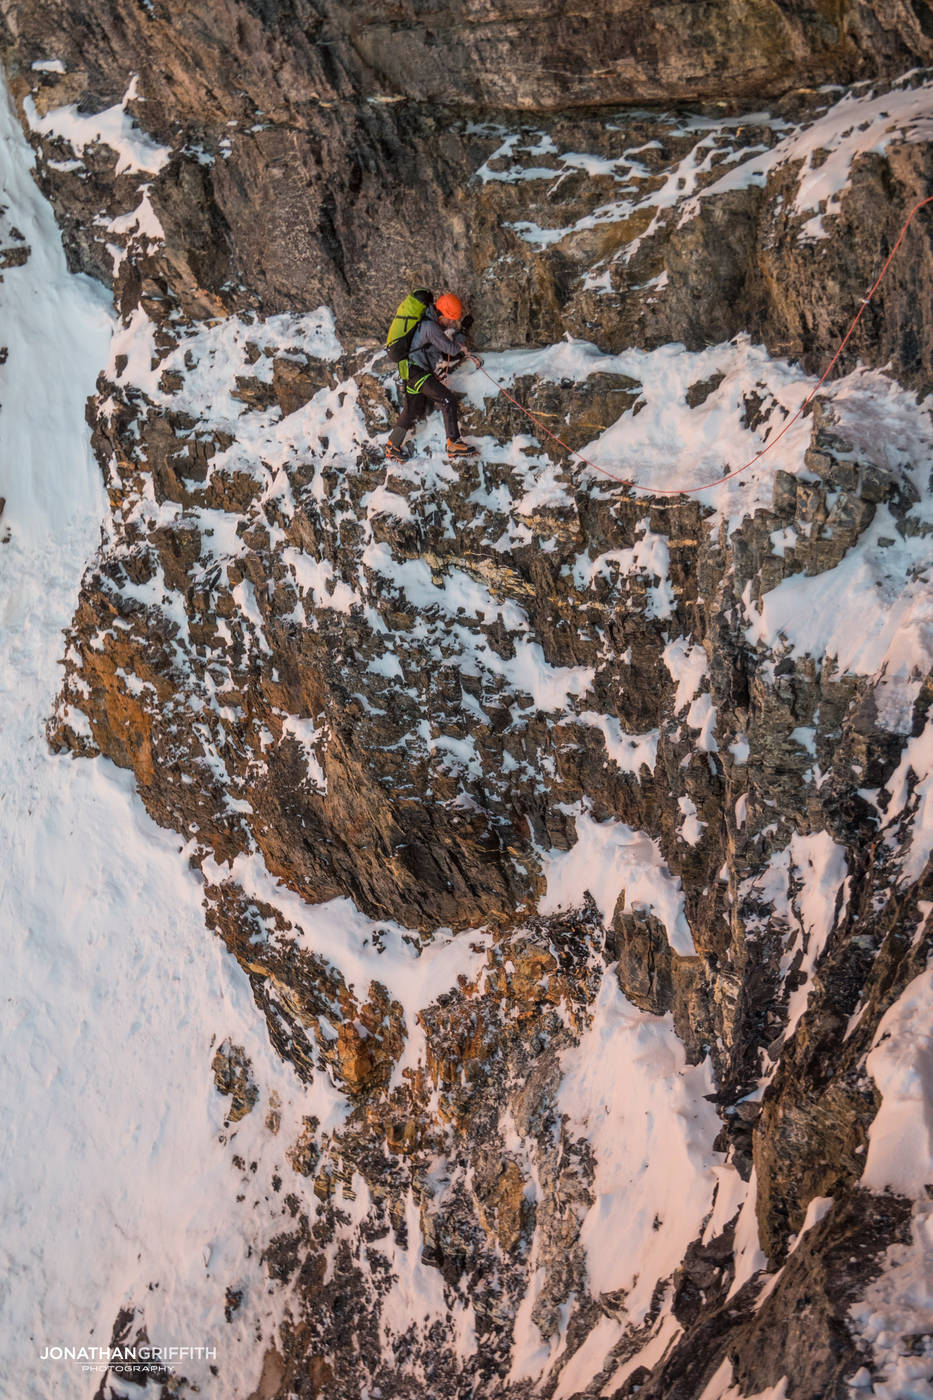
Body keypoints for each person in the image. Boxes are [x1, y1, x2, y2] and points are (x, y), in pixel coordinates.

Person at [386, 291, 482, 462]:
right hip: (417, 372)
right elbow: (451, 349)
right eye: (450, 319)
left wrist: (463, 331)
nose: (452, 323)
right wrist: (462, 340)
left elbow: (448, 349)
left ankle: (392, 445)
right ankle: (454, 443)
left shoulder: (430, 324)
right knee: (447, 400)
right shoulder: (430, 327)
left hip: (410, 371)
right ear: (442, 313)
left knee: (412, 410)